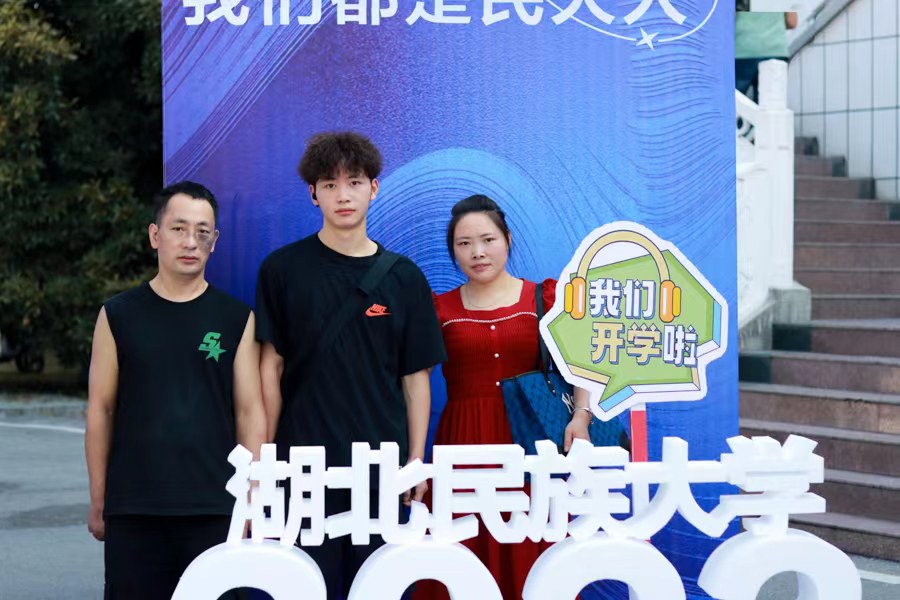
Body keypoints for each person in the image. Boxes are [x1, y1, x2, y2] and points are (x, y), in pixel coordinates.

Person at [255, 131, 446, 600]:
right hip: (303, 468)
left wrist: (415, 460)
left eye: (355, 182)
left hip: (380, 468)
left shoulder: (404, 277)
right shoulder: (282, 269)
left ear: (374, 188)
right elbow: (270, 369)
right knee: (304, 589)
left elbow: (416, 379)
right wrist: (266, 460)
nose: (343, 195)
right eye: (330, 184)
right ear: (312, 193)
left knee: (377, 588)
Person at [85, 181, 267, 599]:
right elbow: (101, 409)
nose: (190, 242)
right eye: (179, 229)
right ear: (155, 235)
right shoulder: (118, 315)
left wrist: (252, 496)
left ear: (214, 241)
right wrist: (99, 497)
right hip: (134, 508)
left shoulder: (236, 318)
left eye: (202, 232)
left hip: (215, 506)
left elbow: (249, 411)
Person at [411, 194, 594, 600]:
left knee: (533, 552)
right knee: (460, 554)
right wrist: (417, 458)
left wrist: (581, 416)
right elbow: (416, 382)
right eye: (464, 244)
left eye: (488, 239)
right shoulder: (438, 309)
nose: (477, 252)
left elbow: (580, 360)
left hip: (529, 446)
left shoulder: (542, 298)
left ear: (507, 239)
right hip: (462, 444)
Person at [735, 10, 798, 102]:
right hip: (774, 50)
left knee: (734, 103)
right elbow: (792, 22)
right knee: (770, 104)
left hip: (743, 48)